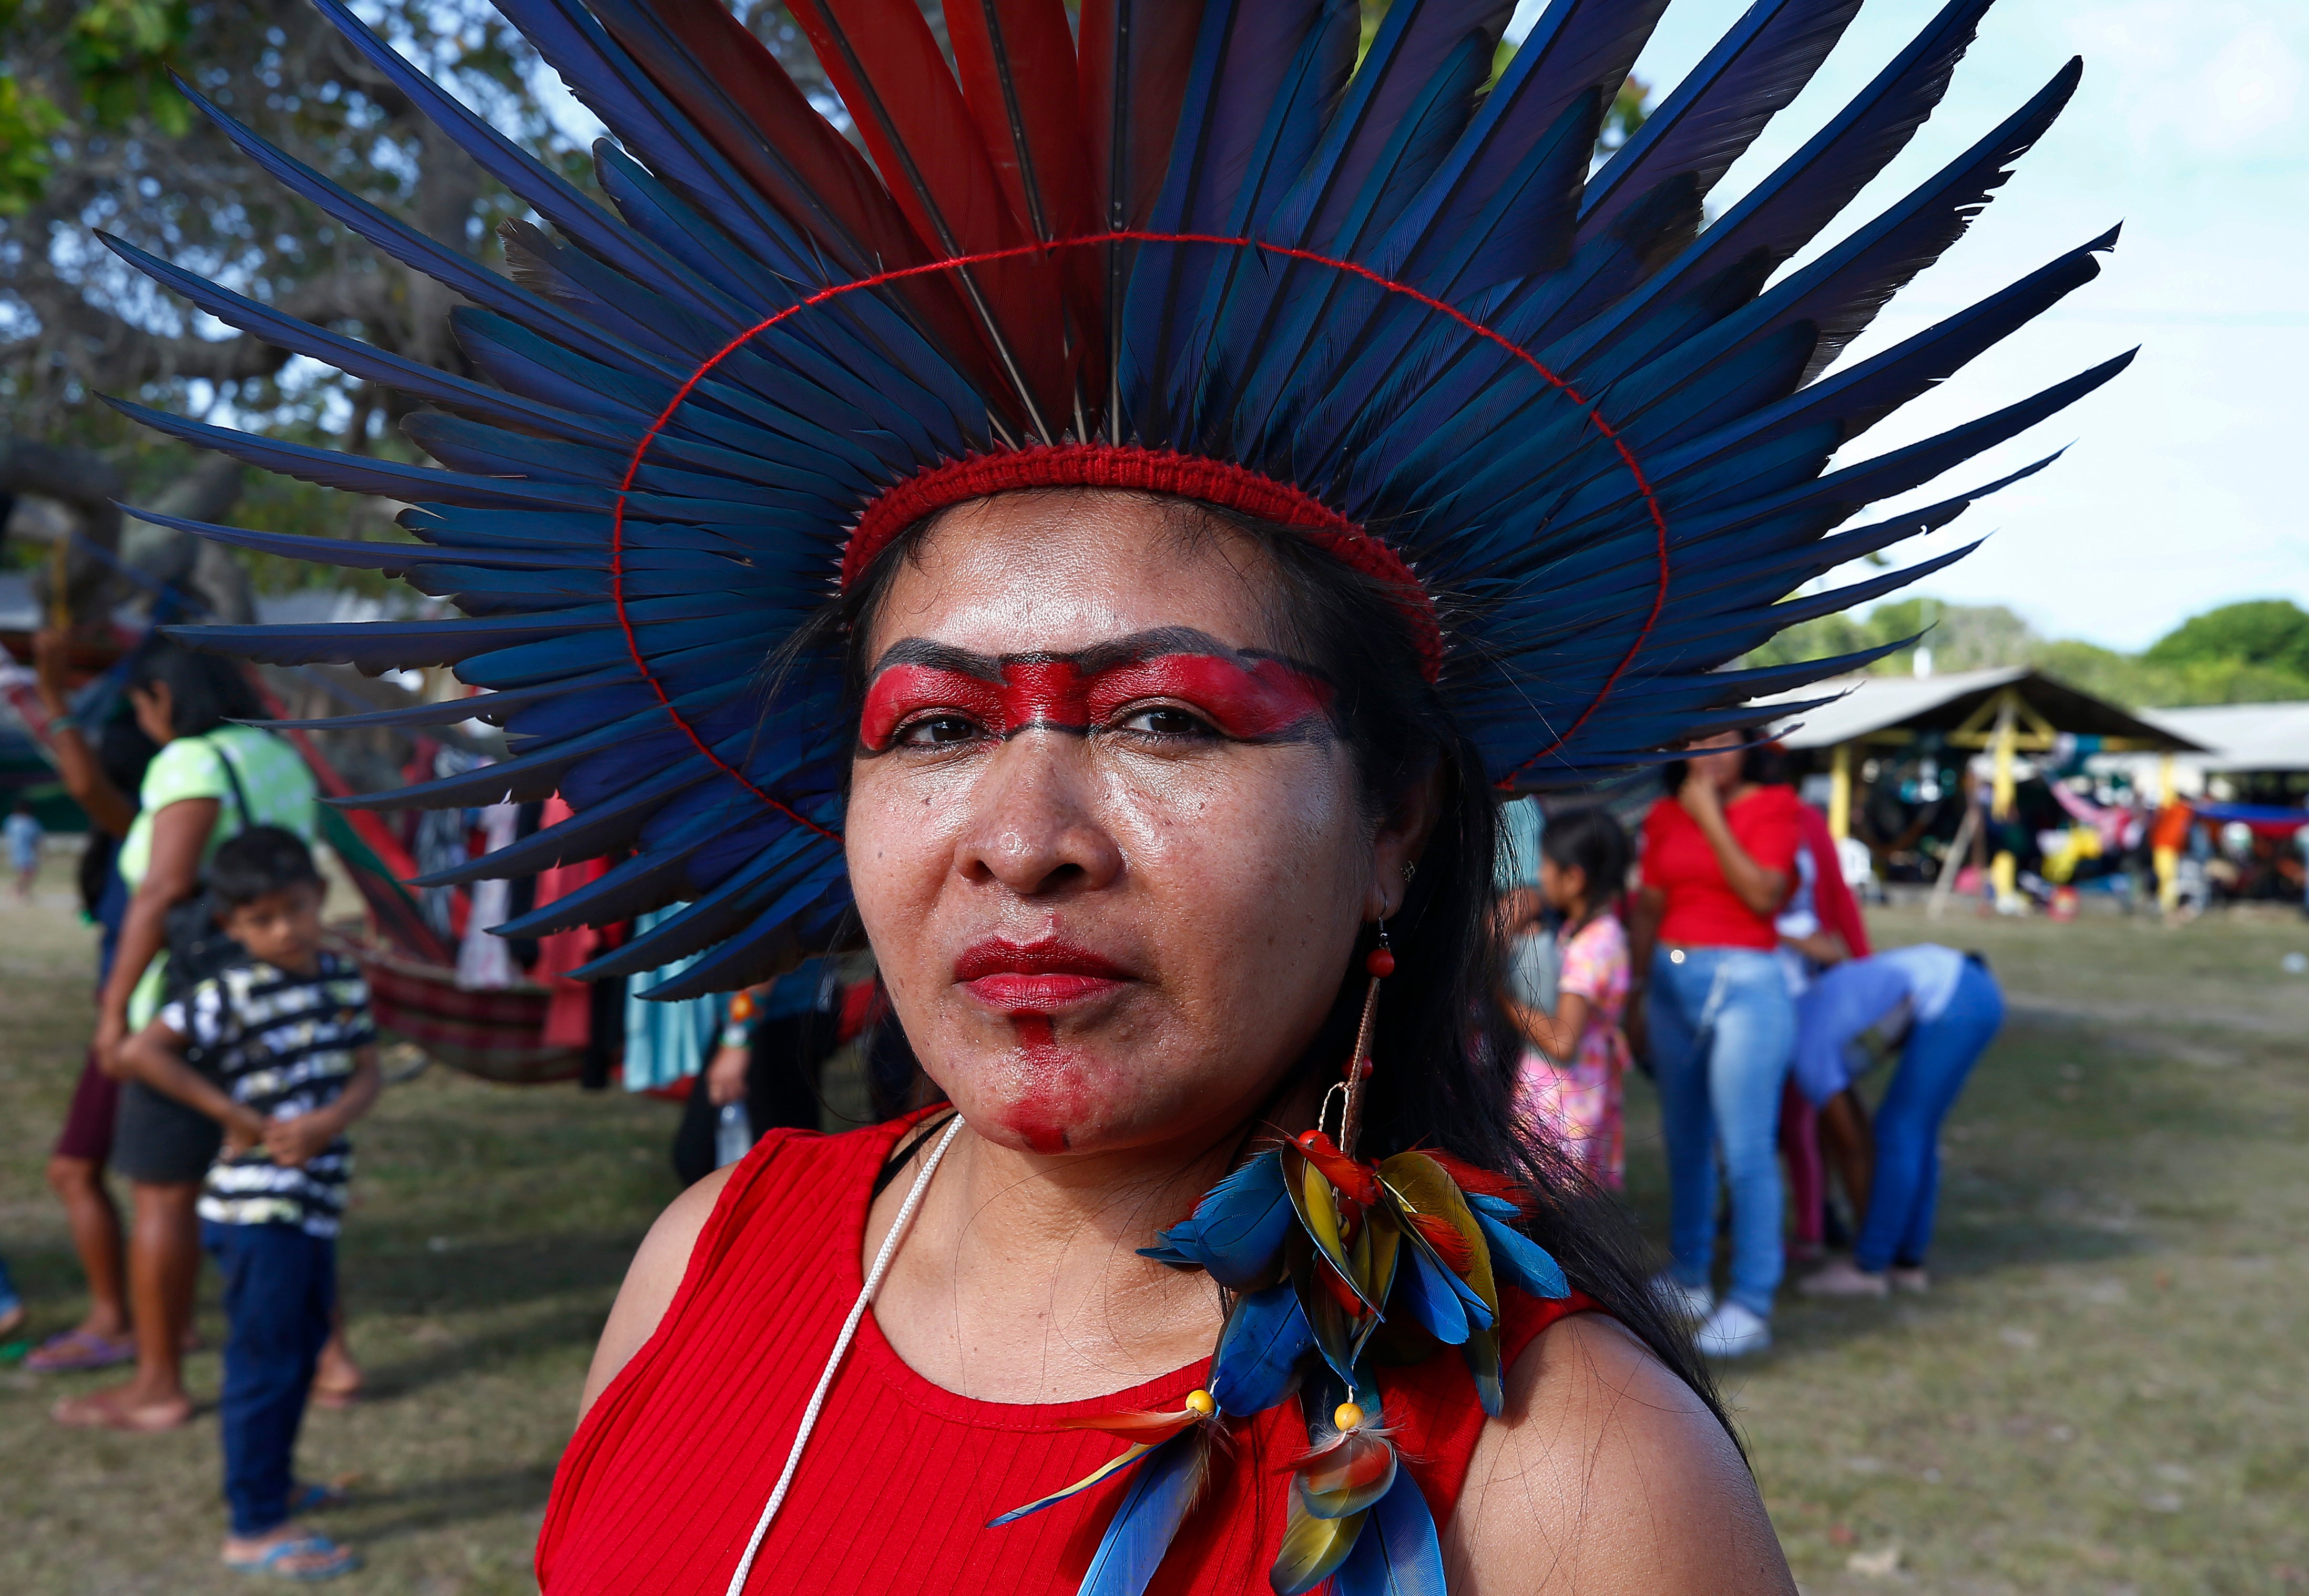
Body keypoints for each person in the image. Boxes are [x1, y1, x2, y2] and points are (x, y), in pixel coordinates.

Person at [124, 0, 2097, 1584]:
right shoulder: (707, 1261)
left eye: (1166, 722)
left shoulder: (1565, 1486)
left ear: (1401, 819)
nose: (1024, 834)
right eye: (930, 728)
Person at [56, 641, 321, 1433]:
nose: (146, 722)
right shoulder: (282, 758)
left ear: (164, 699)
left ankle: (159, 1381)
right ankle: (334, 1361)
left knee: (163, 1193)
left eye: (143, 706)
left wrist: (113, 1006)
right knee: (286, 1186)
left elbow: (165, 886)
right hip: (275, 998)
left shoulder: (191, 761)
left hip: (192, 1010)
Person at [119, 827, 378, 1579]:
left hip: (315, 1203)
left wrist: (329, 1121)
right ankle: (254, 1525)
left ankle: (275, 1483)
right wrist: (232, 1116)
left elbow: (366, 1073)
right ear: (232, 926)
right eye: (261, 920)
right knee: (264, 1362)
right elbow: (141, 1051)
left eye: (294, 909)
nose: (284, 930)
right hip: (256, 1210)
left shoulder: (341, 978)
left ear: (318, 899)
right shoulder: (228, 992)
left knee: (297, 1354)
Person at [1630, 731, 1804, 1358]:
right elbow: (1650, 906)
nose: (1711, 753)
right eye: (1698, 740)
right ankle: (1690, 1276)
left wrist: (1710, 820)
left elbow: (1764, 894)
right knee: (1685, 1139)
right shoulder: (1662, 813)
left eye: (1726, 741)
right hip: (1672, 982)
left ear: (1747, 747)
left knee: (1746, 1147)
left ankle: (1753, 1300)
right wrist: (1636, 991)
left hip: (1747, 985)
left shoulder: (1775, 806)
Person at [26, 630, 152, 1373]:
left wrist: (50, 699)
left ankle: (116, 1321)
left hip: (142, 1013)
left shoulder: (169, 808)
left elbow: (88, 791)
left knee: (79, 1168)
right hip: (155, 1007)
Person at [1792, 946, 2005, 1297]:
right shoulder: (1811, 1008)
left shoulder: (1805, 1047)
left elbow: (1853, 1147)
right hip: (1974, 990)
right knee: (1914, 1132)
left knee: (1898, 1131)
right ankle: (1906, 1263)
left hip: (1954, 995)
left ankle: (1870, 1266)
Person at [1499, 806, 1632, 1189]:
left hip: (1562, 1105)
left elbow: (1561, 1041)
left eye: (1545, 866)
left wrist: (1500, 994)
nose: (1539, 876)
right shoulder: (1595, 931)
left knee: (1549, 1211)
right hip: (1585, 1090)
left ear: (1574, 878)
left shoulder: (1591, 946)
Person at [6, 797, 41, 897]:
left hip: (17, 850)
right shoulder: (30, 822)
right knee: (27, 873)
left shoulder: (12, 821)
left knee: (28, 873)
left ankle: (21, 891)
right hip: (24, 851)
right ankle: (16, 890)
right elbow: (36, 838)